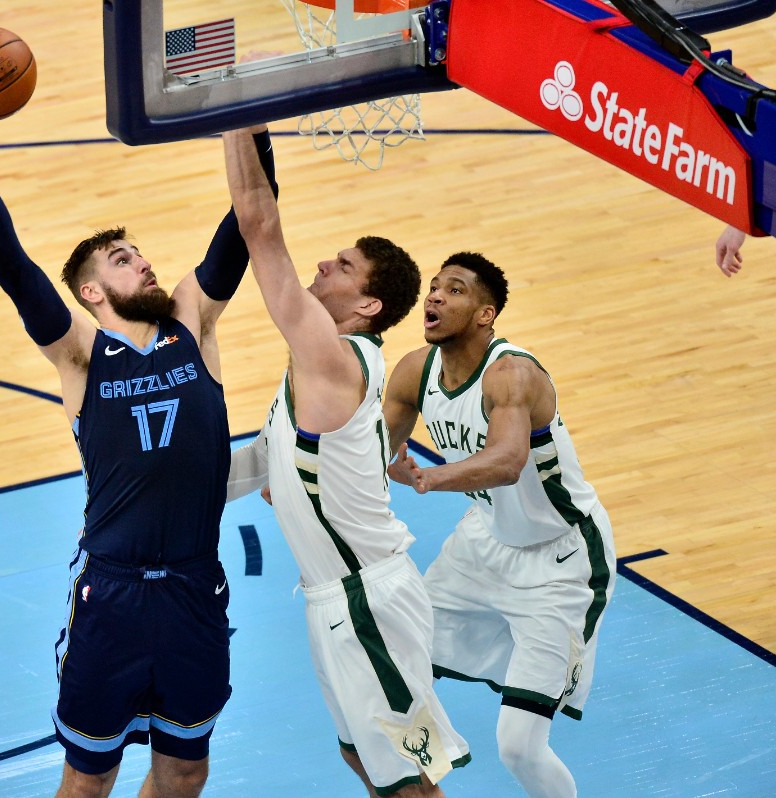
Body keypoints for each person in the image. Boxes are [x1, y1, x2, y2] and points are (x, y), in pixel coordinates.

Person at [0, 67, 277, 798]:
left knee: (186, 771)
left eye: (142, 254)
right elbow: (13, 270)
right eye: (124, 260)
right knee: (89, 781)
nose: (145, 261)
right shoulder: (82, 355)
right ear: (92, 292)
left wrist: (241, 104)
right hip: (112, 595)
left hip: (191, 583)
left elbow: (250, 218)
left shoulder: (193, 322)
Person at [220, 129, 471, 796]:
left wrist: (231, 108)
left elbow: (258, 227)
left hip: (368, 602)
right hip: (336, 600)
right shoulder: (310, 372)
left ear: (368, 306)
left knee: (410, 778)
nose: (326, 266)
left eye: (344, 266)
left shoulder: (336, 360)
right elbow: (262, 465)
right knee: (363, 759)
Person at [382, 254, 616, 798]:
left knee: (518, 745)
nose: (434, 297)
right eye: (434, 287)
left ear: (485, 314)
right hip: (483, 540)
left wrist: (427, 479)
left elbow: (507, 462)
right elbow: (374, 449)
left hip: (559, 557)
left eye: (454, 290)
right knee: (392, 664)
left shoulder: (512, 374)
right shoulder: (415, 370)